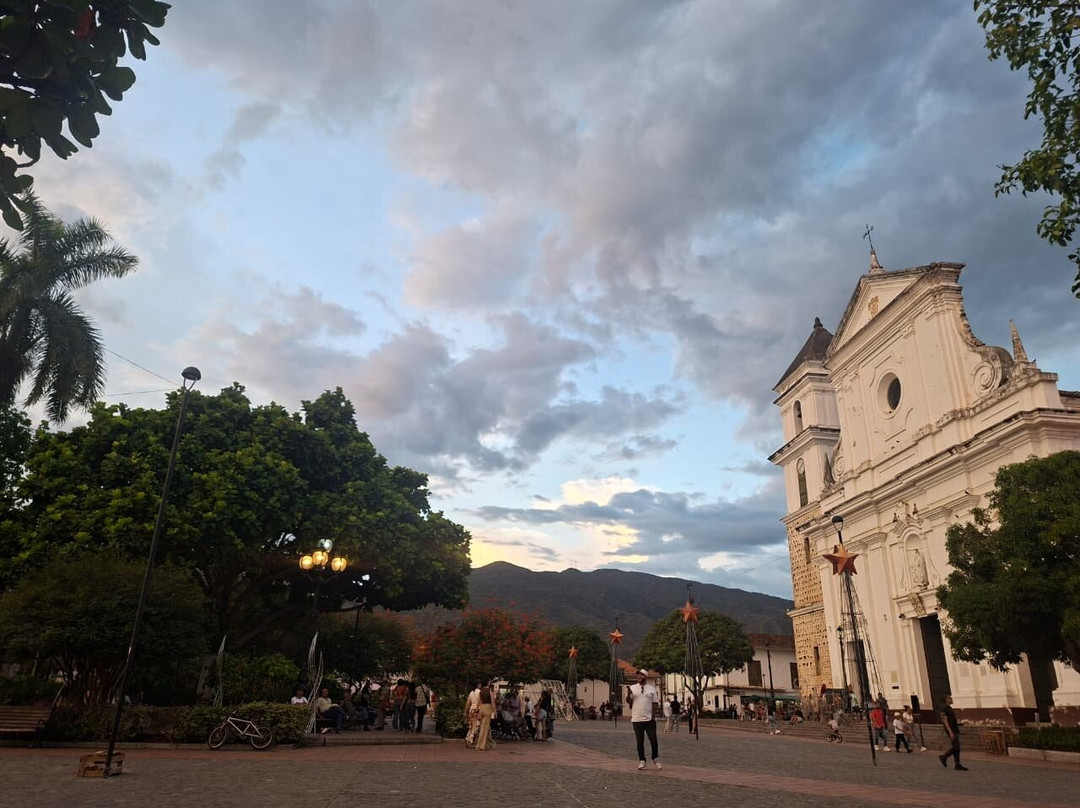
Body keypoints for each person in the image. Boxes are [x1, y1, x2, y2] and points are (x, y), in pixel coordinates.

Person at [627, 669, 660, 770]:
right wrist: (629, 694)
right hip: (637, 718)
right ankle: (642, 760)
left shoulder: (651, 689)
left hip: (649, 719)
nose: (639, 677)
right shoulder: (633, 688)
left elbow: (655, 703)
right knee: (639, 741)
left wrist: (653, 716)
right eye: (638, 676)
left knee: (653, 740)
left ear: (645, 677)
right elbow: (629, 701)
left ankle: (654, 757)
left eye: (641, 676)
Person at [938, 695, 967, 770]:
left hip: (955, 728)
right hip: (951, 730)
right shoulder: (944, 709)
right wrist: (950, 732)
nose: (952, 699)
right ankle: (944, 756)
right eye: (950, 698)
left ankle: (957, 764)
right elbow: (945, 721)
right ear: (946, 699)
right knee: (956, 746)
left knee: (957, 747)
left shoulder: (949, 708)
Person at [476, 681, 496, 751]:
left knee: (483, 727)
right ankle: (480, 745)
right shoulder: (490, 691)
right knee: (485, 728)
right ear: (488, 683)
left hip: (482, 708)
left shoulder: (480, 692)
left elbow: (478, 702)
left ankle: (490, 743)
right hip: (488, 708)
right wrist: (495, 711)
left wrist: (477, 711)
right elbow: (493, 702)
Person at [464, 681, 481, 747]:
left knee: (471, 726)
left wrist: (465, 711)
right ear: (478, 685)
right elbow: (480, 703)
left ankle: (468, 736)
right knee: (476, 726)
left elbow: (468, 703)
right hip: (477, 710)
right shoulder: (479, 692)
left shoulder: (471, 693)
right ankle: (470, 739)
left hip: (471, 710)